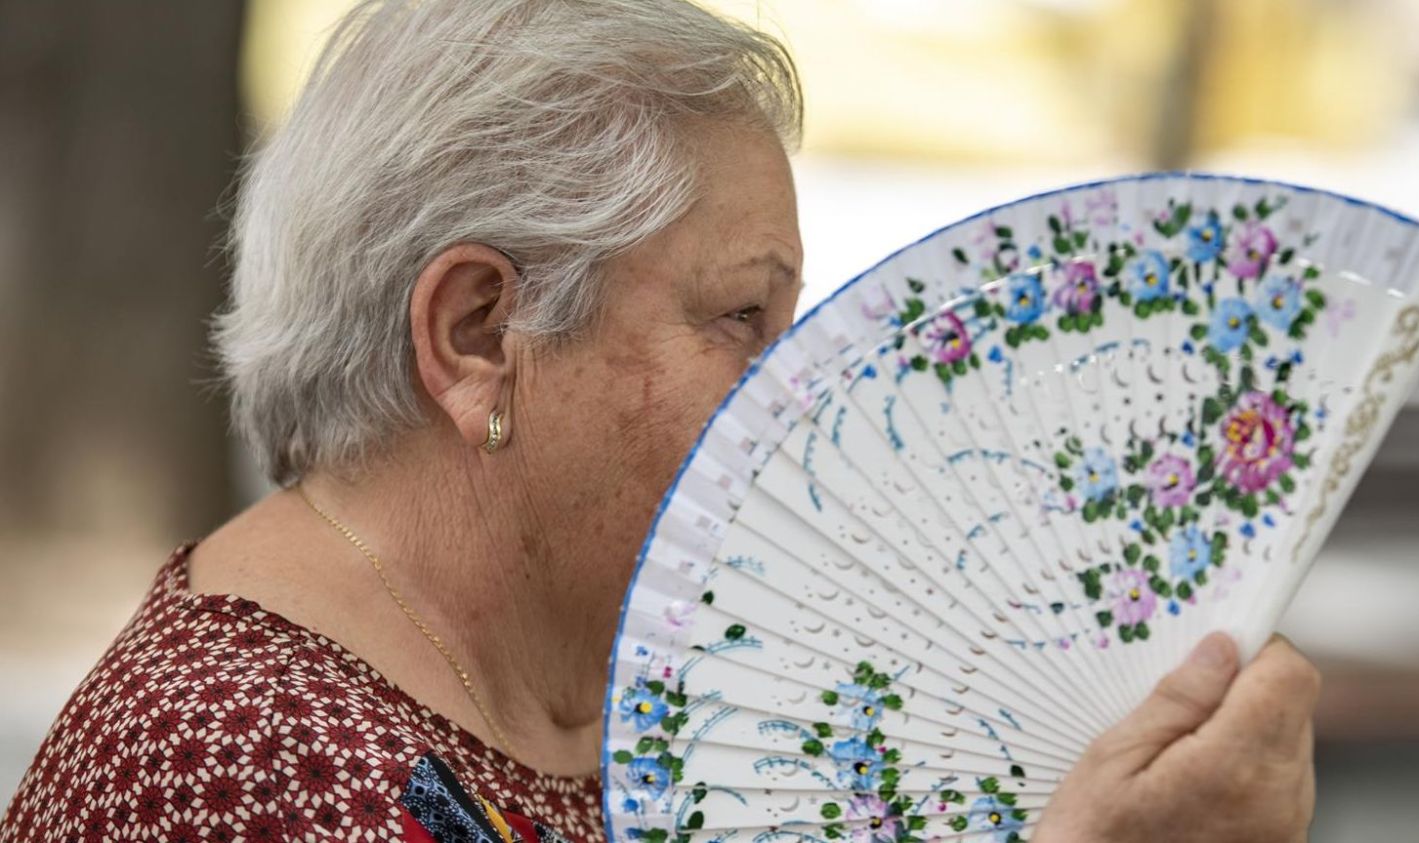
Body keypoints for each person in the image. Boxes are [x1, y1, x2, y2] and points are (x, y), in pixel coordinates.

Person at [0, 1, 1319, 841]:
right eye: (740, 319)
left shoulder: (590, 688)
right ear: (478, 337)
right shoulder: (264, 774)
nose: (796, 394)